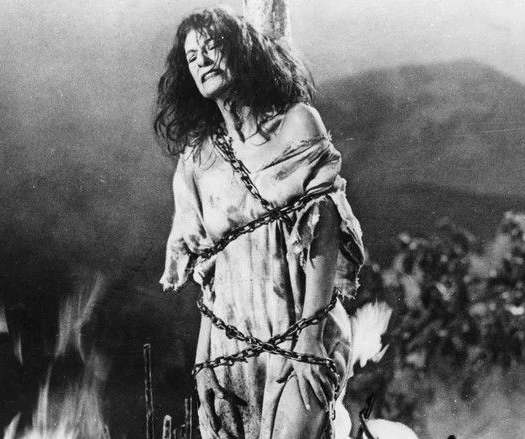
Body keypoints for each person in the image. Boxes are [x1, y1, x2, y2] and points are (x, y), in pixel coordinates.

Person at [154, 6, 366, 438]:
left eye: (213, 48)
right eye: (192, 57)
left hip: (300, 331)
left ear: (243, 50)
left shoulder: (297, 123)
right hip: (230, 351)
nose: (203, 61)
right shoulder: (196, 160)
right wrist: (203, 363)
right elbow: (208, 273)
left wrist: (309, 339)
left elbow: (324, 230)